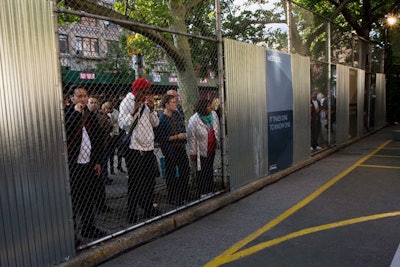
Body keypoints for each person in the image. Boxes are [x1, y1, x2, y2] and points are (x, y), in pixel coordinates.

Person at [64, 85, 107, 244]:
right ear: (71, 98)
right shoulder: (68, 113)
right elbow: (67, 132)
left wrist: (97, 161)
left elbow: (97, 138)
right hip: (74, 165)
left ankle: (89, 227)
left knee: (88, 197)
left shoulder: (90, 115)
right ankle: (72, 233)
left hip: (88, 163)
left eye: (85, 96)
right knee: (74, 200)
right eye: (79, 96)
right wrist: (76, 113)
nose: (83, 99)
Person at [118, 77, 161, 223]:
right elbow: (124, 125)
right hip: (134, 148)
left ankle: (148, 208)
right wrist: (135, 111)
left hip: (148, 147)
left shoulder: (147, 102)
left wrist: (152, 109)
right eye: (147, 88)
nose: (150, 91)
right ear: (140, 90)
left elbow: (156, 123)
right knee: (135, 182)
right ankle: (131, 213)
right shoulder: (127, 102)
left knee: (150, 180)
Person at [156, 94, 190, 205]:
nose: (176, 104)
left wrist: (183, 134)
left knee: (184, 170)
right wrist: (176, 137)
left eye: (176, 102)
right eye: (173, 102)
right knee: (171, 174)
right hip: (170, 150)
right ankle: (173, 196)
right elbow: (161, 138)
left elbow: (182, 127)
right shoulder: (162, 119)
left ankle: (184, 193)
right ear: (166, 104)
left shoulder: (177, 115)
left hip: (180, 147)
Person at [187, 98, 220, 197]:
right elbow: (191, 137)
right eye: (208, 106)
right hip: (200, 149)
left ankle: (210, 189)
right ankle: (203, 191)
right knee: (201, 171)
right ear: (203, 108)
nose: (211, 107)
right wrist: (193, 152)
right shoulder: (194, 120)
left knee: (209, 169)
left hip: (211, 147)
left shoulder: (213, 115)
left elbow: (216, 128)